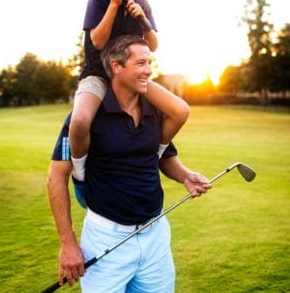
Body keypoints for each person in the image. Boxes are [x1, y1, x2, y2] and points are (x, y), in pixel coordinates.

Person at [47, 35, 211, 293]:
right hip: (105, 238)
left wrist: (185, 175)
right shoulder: (87, 115)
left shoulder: (155, 110)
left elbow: (164, 156)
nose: (149, 70)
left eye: (150, 62)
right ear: (116, 66)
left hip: (155, 237)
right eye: (141, 63)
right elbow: (56, 176)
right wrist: (67, 244)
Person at [69, 0, 160, 183]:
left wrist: (142, 19)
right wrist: (113, 4)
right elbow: (98, 42)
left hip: (131, 78)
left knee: (179, 111)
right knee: (79, 121)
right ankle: (79, 171)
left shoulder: (144, 4)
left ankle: (158, 155)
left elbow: (153, 45)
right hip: (99, 75)